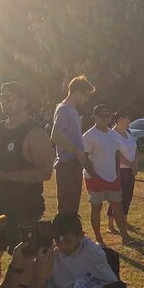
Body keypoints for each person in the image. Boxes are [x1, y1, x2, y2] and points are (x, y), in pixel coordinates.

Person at [0, 82, 54, 287]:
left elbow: (45, 173)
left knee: (24, 258)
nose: (5, 103)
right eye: (2, 98)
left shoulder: (35, 132)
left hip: (25, 207)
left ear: (25, 101)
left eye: (11, 98)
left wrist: (4, 176)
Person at [83, 104, 132, 245]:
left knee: (118, 206)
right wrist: (93, 175)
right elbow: (84, 157)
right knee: (96, 207)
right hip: (95, 178)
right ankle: (99, 239)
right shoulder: (89, 136)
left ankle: (125, 237)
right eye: (101, 115)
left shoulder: (113, 134)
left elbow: (117, 153)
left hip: (112, 177)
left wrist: (116, 172)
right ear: (94, 117)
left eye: (108, 115)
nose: (105, 118)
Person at [51, 75, 95, 215]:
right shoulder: (64, 109)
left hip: (73, 165)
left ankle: (72, 235)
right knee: (67, 207)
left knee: (72, 206)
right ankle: (64, 236)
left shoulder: (72, 110)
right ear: (77, 92)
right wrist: (77, 152)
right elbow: (55, 136)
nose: (87, 99)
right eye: (86, 95)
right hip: (67, 165)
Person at [107, 110, 138, 236]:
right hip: (118, 170)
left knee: (127, 196)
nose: (129, 121)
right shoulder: (112, 134)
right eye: (127, 118)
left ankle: (124, 221)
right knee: (116, 197)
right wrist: (130, 164)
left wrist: (135, 163)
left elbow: (135, 148)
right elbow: (116, 154)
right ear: (119, 119)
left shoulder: (128, 132)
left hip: (130, 171)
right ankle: (110, 225)